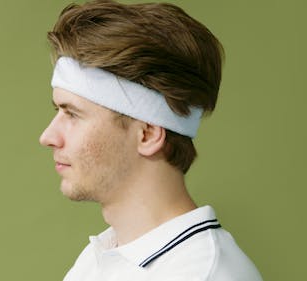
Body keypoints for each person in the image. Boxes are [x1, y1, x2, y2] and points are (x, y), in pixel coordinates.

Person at [38, 1, 263, 280]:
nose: (48, 137)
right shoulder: (98, 261)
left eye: (73, 114)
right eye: (58, 111)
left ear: (147, 134)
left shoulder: (206, 274)